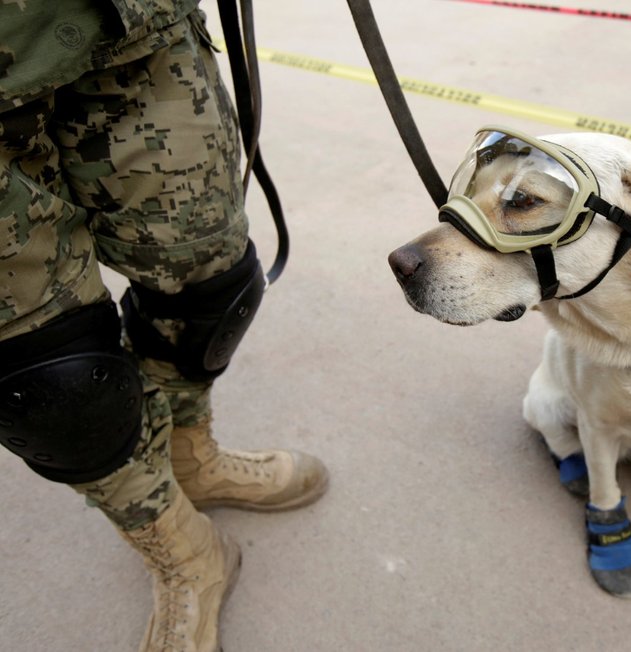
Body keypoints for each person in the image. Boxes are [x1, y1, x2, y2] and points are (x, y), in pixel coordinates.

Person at [0, 2, 328, 650]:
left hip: (129, 24)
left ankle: (192, 459)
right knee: (51, 390)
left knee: (203, 291)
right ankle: (184, 552)